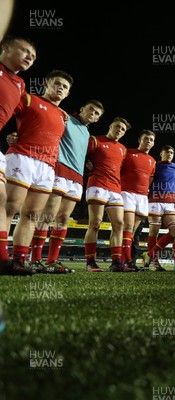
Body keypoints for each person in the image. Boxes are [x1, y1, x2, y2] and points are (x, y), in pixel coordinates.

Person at [3, 70, 72, 274]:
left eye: (65, 87)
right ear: (46, 84)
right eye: (57, 83)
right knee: (9, 208)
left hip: (47, 167)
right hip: (22, 157)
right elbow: (5, 111)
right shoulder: (28, 99)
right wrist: (10, 135)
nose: (60, 88)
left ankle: (19, 260)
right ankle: (1, 258)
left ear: (68, 94)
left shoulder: (63, 115)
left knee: (32, 215)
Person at [24, 100, 105, 273]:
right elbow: (47, 116)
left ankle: (52, 261)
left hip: (77, 177)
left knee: (62, 219)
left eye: (97, 113)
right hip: (59, 169)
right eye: (90, 109)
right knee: (47, 215)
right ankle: (35, 260)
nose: (93, 113)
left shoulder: (88, 134)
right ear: (82, 108)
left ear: (98, 119)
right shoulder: (65, 118)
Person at [0, 35, 36, 274]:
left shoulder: (20, 84)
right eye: (25, 52)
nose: (29, 59)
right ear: (6, 47)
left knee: (1, 199)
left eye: (32, 57)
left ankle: (3, 260)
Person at [83, 117, 134, 272]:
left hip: (115, 188)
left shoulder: (123, 149)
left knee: (119, 224)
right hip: (97, 184)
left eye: (123, 129)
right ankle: (90, 262)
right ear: (110, 125)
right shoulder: (95, 140)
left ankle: (116, 262)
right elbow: (80, 154)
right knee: (96, 223)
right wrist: (86, 162)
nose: (119, 130)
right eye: (117, 126)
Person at [120, 130, 156, 270]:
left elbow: (150, 179)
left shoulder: (152, 161)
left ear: (153, 143)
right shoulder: (127, 152)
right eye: (146, 138)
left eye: (151, 139)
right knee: (127, 227)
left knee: (133, 231)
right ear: (140, 140)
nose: (148, 141)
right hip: (127, 193)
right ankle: (126, 260)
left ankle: (125, 260)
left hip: (142, 196)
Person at [142, 145, 175, 271]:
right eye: (167, 152)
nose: (169, 154)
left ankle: (149, 255)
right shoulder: (154, 165)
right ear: (161, 153)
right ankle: (156, 263)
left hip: (170, 203)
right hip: (155, 200)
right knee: (154, 231)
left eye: (171, 152)